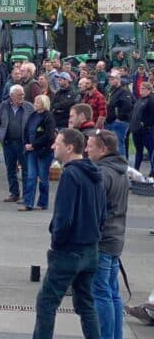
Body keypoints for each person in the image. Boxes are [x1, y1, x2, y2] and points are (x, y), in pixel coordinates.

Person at [32, 128, 106, 339]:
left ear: (70, 147)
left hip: (69, 251)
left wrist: (56, 244)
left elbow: (64, 217)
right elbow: (103, 214)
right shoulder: (94, 172)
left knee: (46, 303)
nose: (54, 146)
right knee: (86, 304)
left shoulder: (71, 174)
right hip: (90, 249)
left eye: (58, 143)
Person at [85, 130, 128, 339]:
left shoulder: (102, 173)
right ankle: (114, 335)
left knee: (100, 292)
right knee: (112, 291)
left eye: (90, 146)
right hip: (115, 237)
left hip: (102, 240)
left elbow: (94, 210)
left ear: (103, 149)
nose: (86, 149)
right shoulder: (119, 170)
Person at [0, 84, 35, 203]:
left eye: (23, 94)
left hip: (23, 143)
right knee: (10, 168)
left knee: (26, 169)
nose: (23, 96)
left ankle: (26, 195)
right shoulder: (3, 105)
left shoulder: (29, 107)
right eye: (19, 94)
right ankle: (14, 193)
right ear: (11, 96)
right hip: (8, 142)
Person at [20, 94, 56, 211]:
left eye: (37, 102)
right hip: (31, 151)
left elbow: (48, 135)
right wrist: (26, 143)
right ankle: (28, 202)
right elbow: (26, 130)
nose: (35, 104)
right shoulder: (33, 115)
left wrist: (34, 145)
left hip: (43, 151)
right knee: (31, 177)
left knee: (43, 178)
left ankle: (42, 202)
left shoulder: (48, 117)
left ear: (43, 104)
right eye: (35, 102)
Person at [105, 70, 133, 159]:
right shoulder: (111, 91)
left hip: (119, 122)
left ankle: (122, 165)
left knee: (119, 144)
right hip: (110, 121)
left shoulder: (124, 91)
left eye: (113, 79)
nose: (111, 81)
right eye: (110, 79)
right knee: (111, 145)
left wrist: (119, 118)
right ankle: (114, 164)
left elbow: (127, 105)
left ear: (118, 79)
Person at [130, 81, 154, 172]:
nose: (141, 90)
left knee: (151, 152)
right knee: (138, 152)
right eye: (140, 88)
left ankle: (152, 172)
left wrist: (145, 124)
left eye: (143, 89)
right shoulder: (139, 100)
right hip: (136, 131)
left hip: (147, 132)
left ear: (149, 90)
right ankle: (136, 170)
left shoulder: (151, 100)